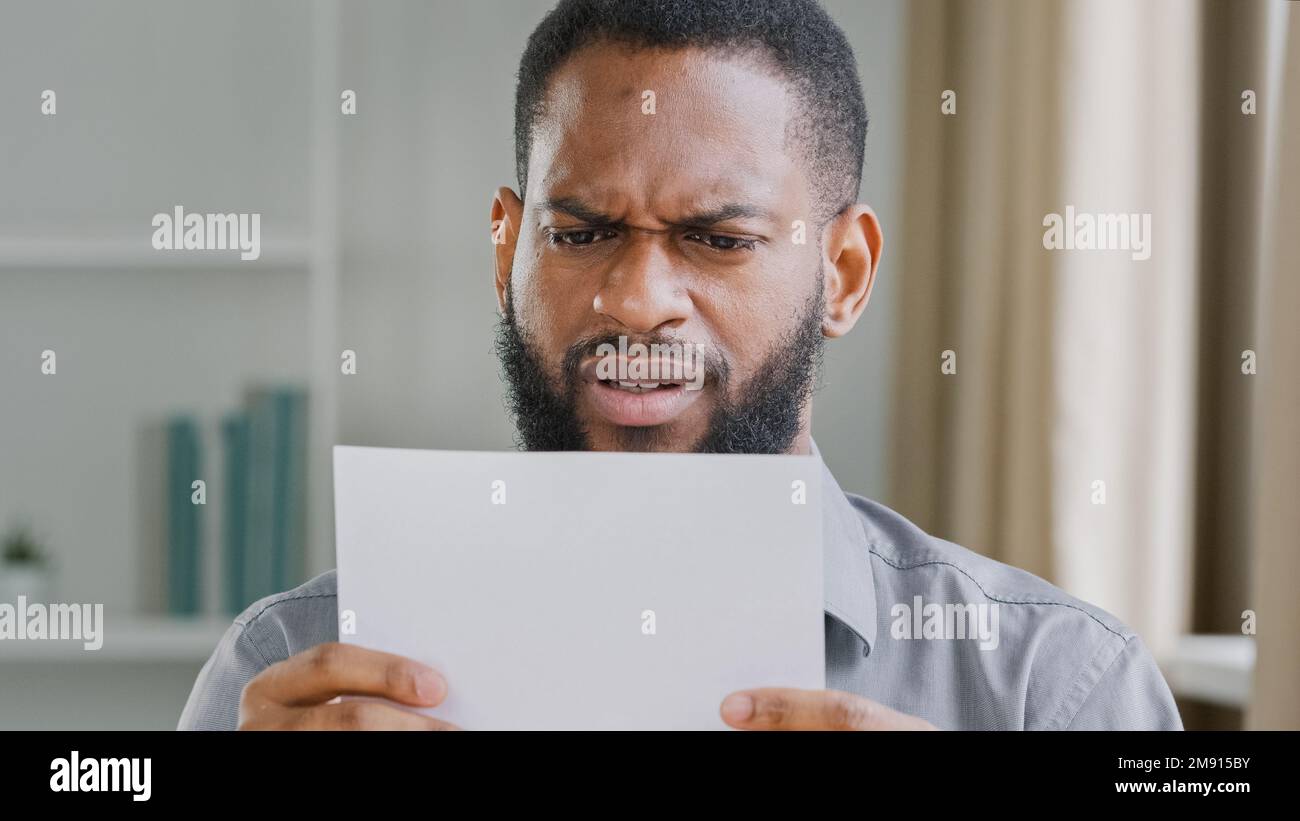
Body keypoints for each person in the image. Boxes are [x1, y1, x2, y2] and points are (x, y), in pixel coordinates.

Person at [179, 0, 1182, 731]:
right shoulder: (289, 672)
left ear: (843, 272)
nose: (636, 298)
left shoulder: (1055, 684)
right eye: (579, 232)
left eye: (716, 237)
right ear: (507, 252)